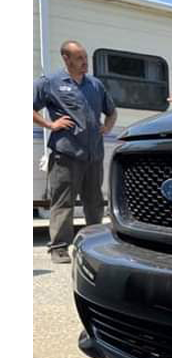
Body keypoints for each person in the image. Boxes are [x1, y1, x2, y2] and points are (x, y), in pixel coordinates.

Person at [32, 40, 116, 264]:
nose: (85, 62)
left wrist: (107, 126)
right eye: (79, 58)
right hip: (66, 154)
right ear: (66, 59)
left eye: (85, 57)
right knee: (63, 201)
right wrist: (50, 125)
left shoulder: (95, 84)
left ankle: (94, 243)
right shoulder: (51, 82)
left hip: (93, 155)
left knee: (94, 202)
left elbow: (112, 111)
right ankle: (58, 247)